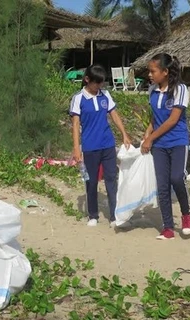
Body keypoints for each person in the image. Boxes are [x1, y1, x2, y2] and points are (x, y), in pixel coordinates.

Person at [70, 64, 131, 227]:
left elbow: (114, 115)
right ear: (87, 80)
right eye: (96, 83)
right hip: (90, 146)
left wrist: (124, 134)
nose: (99, 86)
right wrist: (77, 148)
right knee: (91, 181)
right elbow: (75, 124)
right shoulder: (78, 98)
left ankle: (114, 215)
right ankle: (93, 215)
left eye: (102, 83)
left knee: (111, 178)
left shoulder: (105, 95)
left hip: (108, 144)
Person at [141, 53, 190, 240]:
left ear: (164, 72)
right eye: (149, 71)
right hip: (160, 145)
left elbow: (172, 120)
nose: (149, 74)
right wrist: (148, 134)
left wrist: (150, 138)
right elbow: (155, 118)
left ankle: (186, 215)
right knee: (162, 185)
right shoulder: (152, 91)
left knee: (177, 178)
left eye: (152, 71)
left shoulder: (180, 89)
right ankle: (168, 227)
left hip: (178, 141)